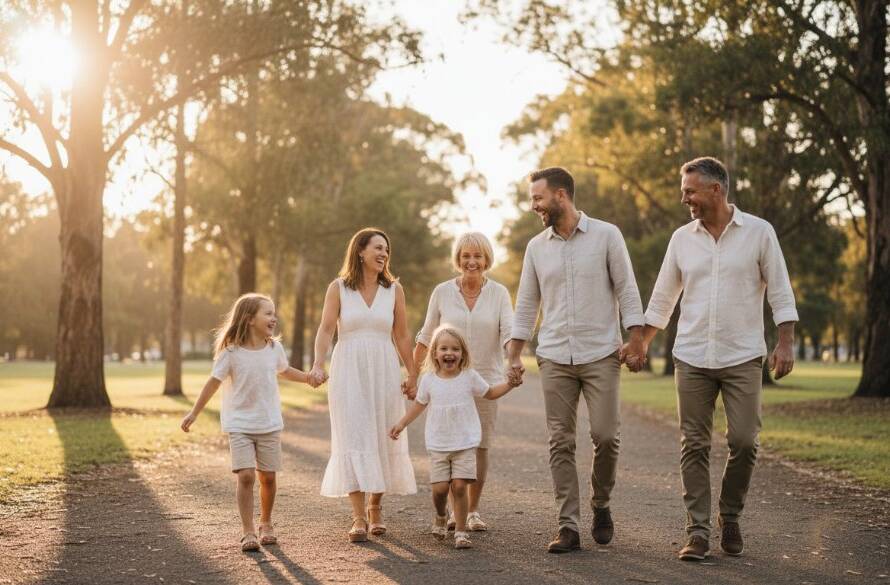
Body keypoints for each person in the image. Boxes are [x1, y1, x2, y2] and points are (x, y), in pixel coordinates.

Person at [631, 157, 798, 561]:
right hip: (691, 356)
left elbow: (779, 288)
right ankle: (698, 532)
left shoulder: (759, 232)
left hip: (742, 354)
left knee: (744, 441)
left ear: (715, 190)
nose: (683, 198)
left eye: (689, 191)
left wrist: (785, 341)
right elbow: (663, 297)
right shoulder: (681, 239)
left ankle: (731, 514)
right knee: (694, 444)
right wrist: (641, 342)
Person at [506, 167, 647, 553]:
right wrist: (515, 353)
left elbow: (627, 289)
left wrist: (636, 340)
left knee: (606, 436)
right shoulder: (536, 247)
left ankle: (601, 503)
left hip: (601, 352)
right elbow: (527, 304)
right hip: (553, 355)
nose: (533, 205)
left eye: (538, 198)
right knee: (560, 441)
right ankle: (568, 525)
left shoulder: (607, 235)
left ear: (561, 195)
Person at [181, 293, 312, 552]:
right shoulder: (231, 353)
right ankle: (248, 530)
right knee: (246, 475)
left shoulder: (274, 349)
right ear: (250, 319)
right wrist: (194, 412)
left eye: (274, 313)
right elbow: (213, 382)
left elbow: (284, 371)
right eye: (268, 313)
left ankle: (266, 522)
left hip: (269, 423)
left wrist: (308, 378)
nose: (274, 318)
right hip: (239, 424)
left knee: (269, 478)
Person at [309, 228, 418, 542]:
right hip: (348, 370)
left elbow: (402, 335)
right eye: (378, 248)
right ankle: (358, 517)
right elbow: (326, 330)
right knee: (353, 434)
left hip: (383, 368)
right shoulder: (339, 288)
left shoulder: (394, 290)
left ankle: (375, 508)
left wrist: (412, 373)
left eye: (386, 249)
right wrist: (318, 363)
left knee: (383, 434)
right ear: (360, 251)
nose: (384, 254)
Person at [413, 232, 514, 532]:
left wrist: (515, 359)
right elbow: (426, 333)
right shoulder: (442, 292)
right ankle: (445, 506)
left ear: (486, 259)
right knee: (446, 445)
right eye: (466, 256)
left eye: (478, 256)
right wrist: (411, 373)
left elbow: (508, 332)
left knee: (479, 446)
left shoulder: (499, 294)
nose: (472, 261)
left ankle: (471, 510)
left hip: (485, 379)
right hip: (445, 381)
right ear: (458, 259)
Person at [390, 325, 521, 549]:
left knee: (460, 486)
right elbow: (418, 406)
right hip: (439, 444)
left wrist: (510, 384)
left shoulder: (469, 377)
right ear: (435, 354)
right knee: (440, 490)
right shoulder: (430, 380)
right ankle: (441, 515)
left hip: (465, 442)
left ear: (463, 354)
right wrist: (401, 423)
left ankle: (460, 532)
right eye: (444, 349)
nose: (449, 353)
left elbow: (489, 393)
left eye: (455, 349)